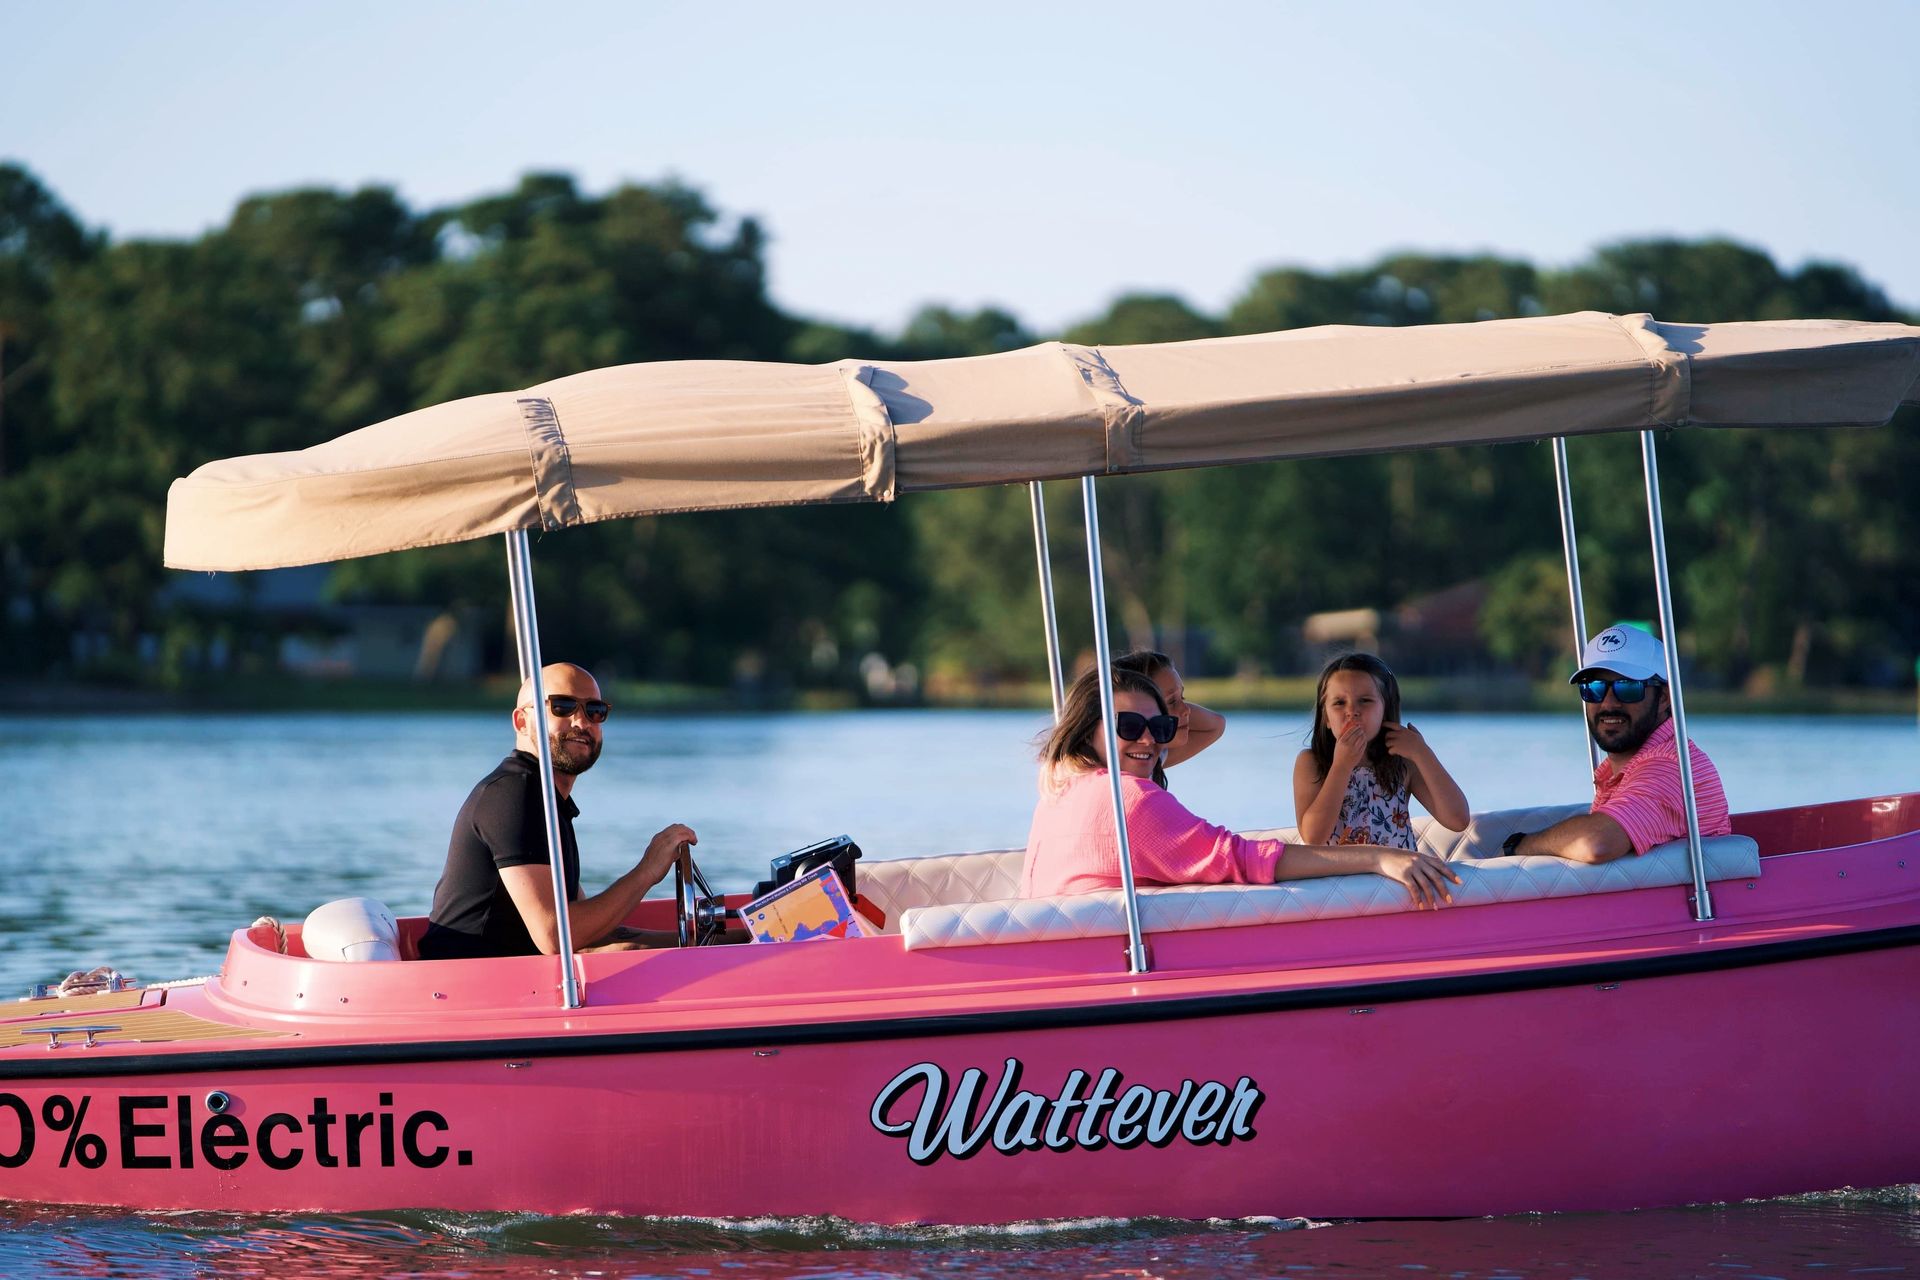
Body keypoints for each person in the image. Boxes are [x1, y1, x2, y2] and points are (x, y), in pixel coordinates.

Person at [1021, 666, 1460, 907]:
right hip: (1106, 967)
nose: (1149, 739)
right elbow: (1242, 859)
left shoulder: (1060, 790)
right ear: (1085, 730)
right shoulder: (1129, 799)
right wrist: (1382, 858)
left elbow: (1458, 818)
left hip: (1069, 953)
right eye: (1130, 725)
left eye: (1160, 724)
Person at [418, 662, 697, 959]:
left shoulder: (549, 803)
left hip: (514, 987)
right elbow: (556, 936)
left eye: (595, 710)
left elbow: (593, 936)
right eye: (562, 706)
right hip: (466, 993)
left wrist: (734, 938)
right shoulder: (514, 796)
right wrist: (647, 871)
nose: (582, 722)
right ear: (522, 722)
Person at [1502, 626, 1731, 863]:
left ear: (1663, 697)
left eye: (1627, 687)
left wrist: (1518, 846)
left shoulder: (1671, 768)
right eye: (1594, 688)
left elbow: (1595, 842)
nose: (1608, 704)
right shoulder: (1635, 766)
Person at [1292, 653, 1470, 848]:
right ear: (1326, 717)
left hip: (1399, 875)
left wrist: (1423, 753)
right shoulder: (1312, 761)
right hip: (1338, 876)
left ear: (1385, 709)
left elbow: (1458, 820)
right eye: (1339, 703)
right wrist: (1341, 766)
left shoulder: (1402, 761)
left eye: (1365, 700)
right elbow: (1313, 837)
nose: (1352, 711)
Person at [1113, 649, 1226, 773]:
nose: (1186, 710)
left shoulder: (1149, 757)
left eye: (1182, 697)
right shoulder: (1113, 771)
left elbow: (1216, 724)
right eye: (1172, 701)